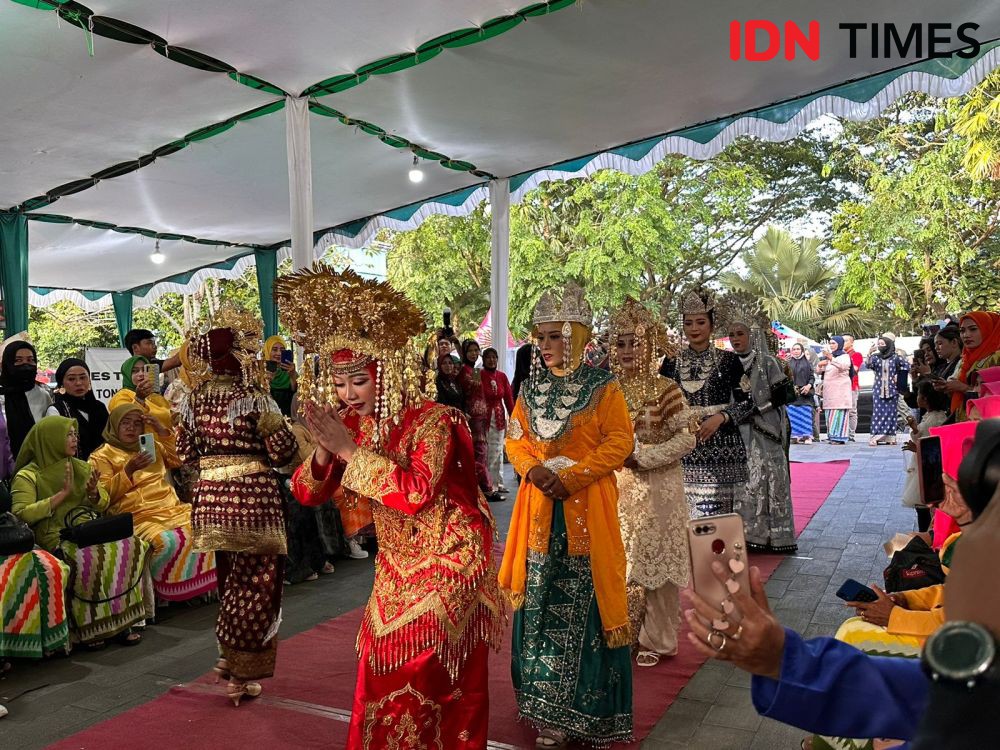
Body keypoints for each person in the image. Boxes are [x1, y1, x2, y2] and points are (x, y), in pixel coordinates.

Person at [281, 267, 504, 749]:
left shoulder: (433, 421)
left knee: (430, 668)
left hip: (452, 556)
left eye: (358, 382)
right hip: (398, 562)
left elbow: (417, 490)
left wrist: (346, 451)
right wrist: (324, 450)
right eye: (339, 385)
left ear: (385, 373)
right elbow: (306, 493)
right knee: (377, 665)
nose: (347, 396)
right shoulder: (352, 426)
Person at [499, 282, 634, 748]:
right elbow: (514, 438)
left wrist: (574, 476)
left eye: (553, 335)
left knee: (590, 601)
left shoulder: (604, 388)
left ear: (576, 335)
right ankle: (544, 707)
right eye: (540, 337)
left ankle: (590, 709)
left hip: (586, 513)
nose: (544, 345)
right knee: (538, 602)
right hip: (538, 511)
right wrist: (533, 469)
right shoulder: (530, 389)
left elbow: (620, 442)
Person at [176, 309, 298, 706]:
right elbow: (282, 453)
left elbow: (184, 453)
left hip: (210, 502)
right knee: (259, 586)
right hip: (254, 503)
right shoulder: (255, 398)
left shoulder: (194, 399)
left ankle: (229, 658)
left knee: (230, 582)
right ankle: (239, 672)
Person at [609, 298, 695, 668]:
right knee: (621, 561)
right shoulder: (607, 390)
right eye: (621, 343)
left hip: (659, 488)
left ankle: (658, 639)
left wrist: (644, 456)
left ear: (651, 345)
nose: (628, 351)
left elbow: (687, 437)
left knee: (656, 566)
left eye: (636, 343)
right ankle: (621, 630)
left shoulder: (666, 389)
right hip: (616, 486)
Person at [11, 416, 148, 647]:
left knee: (130, 546)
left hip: (87, 528)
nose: (75, 439)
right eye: (68, 434)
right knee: (88, 558)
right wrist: (59, 497)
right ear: (50, 439)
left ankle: (121, 622)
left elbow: (102, 502)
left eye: (75, 434)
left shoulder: (81, 466)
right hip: (55, 532)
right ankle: (92, 628)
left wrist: (95, 494)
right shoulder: (29, 475)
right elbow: (21, 514)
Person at [88, 404, 217, 604]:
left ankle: (198, 587)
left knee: (208, 524)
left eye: (137, 424)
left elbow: (179, 459)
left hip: (171, 508)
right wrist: (127, 471)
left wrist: (161, 429)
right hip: (136, 515)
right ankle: (169, 592)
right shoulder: (101, 456)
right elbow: (104, 498)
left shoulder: (151, 445)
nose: (131, 428)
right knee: (166, 542)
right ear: (114, 425)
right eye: (125, 423)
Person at [659, 289, 753, 517]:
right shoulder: (671, 363)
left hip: (721, 448)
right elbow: (662, 404)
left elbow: (748, 402)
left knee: (716, 521)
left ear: (712, 325)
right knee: (680, 516)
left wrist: (721, 418)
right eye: (688, 323)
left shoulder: (730, 361)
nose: (694, 329)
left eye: (700, 322)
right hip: (681, 447)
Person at [728, 320, 797, 554]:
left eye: (740, 333)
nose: (735, 338)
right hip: (739, 429)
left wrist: (758, 409)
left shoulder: (767, 362)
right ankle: (749, 534)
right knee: (747, 481)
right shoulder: (727, 363)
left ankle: (774, 535)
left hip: (767, 428)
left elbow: (784, 394)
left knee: (771, 478)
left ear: (751, 335)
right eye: (731, 335)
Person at [901, 382, 950, 532]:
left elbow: (934, 447)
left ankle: (927, 536)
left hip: (927, 466)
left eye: (919, 394)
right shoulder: (929, 416)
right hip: (921, 464)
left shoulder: (937, 419)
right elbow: (923, 437)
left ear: (926, 398)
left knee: (925, 506)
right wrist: (915, 428)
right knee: (922, 506)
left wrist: (917, 449)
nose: (917, 397)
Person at [939, 312, 1000, 421]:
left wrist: (963, 388)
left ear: (987, 329)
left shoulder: (996, 357)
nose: (966, 335)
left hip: (987, 426)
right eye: (962, 331)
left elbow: (994, 397)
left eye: (973, 329)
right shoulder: (965, 359)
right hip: (965, 421)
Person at [47, 358, 109, 460]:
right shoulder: (56, 410)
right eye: (71, 379)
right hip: (71, 470)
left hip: (103, 469)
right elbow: (55, 448)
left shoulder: (99, 407)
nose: (79, 383)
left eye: (83, 377)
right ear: (62, 383)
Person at [0, 342, 53, 460]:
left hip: (36, 467)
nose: (25, 365)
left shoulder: (43, 396)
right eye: (18, 360)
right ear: (8, 364)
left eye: (30, 360)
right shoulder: (1, 396)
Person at [458, 339, 496, 500]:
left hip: (481, 417)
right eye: (470, 351)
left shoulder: (475, 370)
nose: (474, 354)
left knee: (481, 451)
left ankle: (480, 487)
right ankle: (485, 487)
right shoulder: (463, 370)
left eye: (476, 350)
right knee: (478, 451)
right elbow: (465, 393)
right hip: (471, 417)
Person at [480, 347, 514, 495]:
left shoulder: (502, 376)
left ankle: (499, 482)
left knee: (499, 450)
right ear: (483, 359)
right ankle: (489, 484)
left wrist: (513, 415)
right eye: (488, 357)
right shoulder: (479, 375)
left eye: (494, 357)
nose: (491, 360)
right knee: (487, 451)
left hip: (499, 416)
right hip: (483, 417)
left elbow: (508, 398)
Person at [867, 333, 910, 446]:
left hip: (892, 389)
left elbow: (906, 366)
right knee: (878, 413)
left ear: (888, 344)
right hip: (878, 389)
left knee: (891, 413)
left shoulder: (896, 357)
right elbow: (869, 365)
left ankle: (890, 437)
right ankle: (876, 436)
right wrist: (869, 353)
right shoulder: (876, 357)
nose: (880, 346)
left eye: (882, 344)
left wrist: (899, 376)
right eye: (879, 344)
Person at [820, 337, 852, 445]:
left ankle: (839, 437)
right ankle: (831, 436)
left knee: (838, 413)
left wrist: (831, 358)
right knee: (830, 413)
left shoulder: (844, 356)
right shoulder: (831, 358)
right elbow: (822, 371)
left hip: (840, 392)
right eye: (830, 343)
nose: (832, 345)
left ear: (839, 344)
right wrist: (820, 366)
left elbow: (844, 366)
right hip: (829, 392)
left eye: (834, 343)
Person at [787, 343, 816, 444]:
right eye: (794, 349)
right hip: (793, 394)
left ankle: (807, 436)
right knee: (792, 413)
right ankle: (795, 436)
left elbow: (812, 377)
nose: (796, 351)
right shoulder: (788, 363)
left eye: (798, 349)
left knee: (805, 414)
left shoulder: (808, 363)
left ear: (802, 350)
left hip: (805, 394)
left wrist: (809, 386)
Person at [263, 335, 298, 417]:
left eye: (282, 350)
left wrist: (293, 375)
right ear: (267, 351)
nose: (278, 353)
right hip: (268, 418)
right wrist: (265, 382)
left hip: (288, 419)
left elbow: (296, 393)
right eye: (274, 350)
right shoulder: (261, 372)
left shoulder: (291, 372)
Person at [843, 335, 864, 442]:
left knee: (852, 411)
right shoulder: (840, 355)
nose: (844, 342)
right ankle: (842, 433)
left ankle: (850, 434)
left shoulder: (856, 355)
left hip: (852, 386)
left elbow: (854, 370)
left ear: (852, 343)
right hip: (840, 386)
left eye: (846, 341)